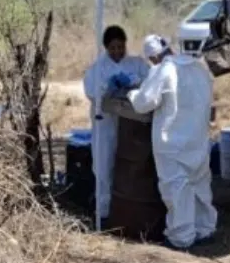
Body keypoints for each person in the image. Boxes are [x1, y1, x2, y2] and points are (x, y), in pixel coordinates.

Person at [129, 34, 217, 250]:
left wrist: (132, 93)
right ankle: (205, 229)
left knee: (176, 190)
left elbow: (144, 103)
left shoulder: (163, 70)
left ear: (153, 57)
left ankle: (181, 237)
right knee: (199, 186)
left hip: (172, 142)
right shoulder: (200, 68)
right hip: (197, 140)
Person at [84, 25, 152, 222]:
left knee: (129, 168)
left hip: (131, 127)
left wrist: (134, 81)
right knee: (104, 169)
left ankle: (127, 211)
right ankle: (104, 213)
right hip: (105, 126)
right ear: (106, 48)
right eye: (113, 48)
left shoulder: (136, 63)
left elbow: (150, 82)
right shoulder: (97, 69)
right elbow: (92, 92)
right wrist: (108, 87)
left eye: (120, 47)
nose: (117, 52)